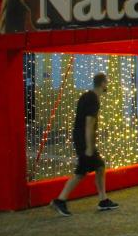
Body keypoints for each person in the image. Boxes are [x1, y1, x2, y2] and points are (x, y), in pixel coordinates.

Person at [51, 72, 120, 216]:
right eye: (106, 82)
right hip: (84, 141)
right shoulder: (93, 99)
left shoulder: (87, 96)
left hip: (81, 138)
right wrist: (89, 146)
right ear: (102, 83)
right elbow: (89, 123)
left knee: (98, 167)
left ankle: (103, 199)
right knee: (81, 172)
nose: (107, 85)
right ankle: (60, 200)